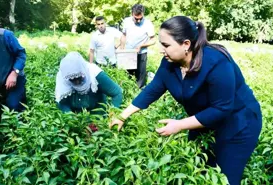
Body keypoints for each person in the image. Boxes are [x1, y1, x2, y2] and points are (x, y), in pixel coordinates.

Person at [110, 16, 262, 185]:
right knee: (199, 169)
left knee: (225, 178)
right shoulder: (169, 63)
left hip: (238, 123)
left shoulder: (216, 62)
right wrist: (123, 116)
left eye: (166, 45)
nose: (161, 50)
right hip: (203, 122)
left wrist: (179, 125)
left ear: (186, 45)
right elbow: (153, 90)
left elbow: (222, 109)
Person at [56, 52, 123, 131]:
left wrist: (111, 116)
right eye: (73, 80)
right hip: (78, 117)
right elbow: (61, 102)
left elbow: (117, 93)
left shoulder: (94, 73)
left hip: (99, 116)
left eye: (79, 78)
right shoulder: (63, 79)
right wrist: (73, 120)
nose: (77, 82)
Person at [120, 4, 156, 88]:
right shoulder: (126, 21)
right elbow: (124, 35)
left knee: (140, 74)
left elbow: (153, 40)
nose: (139, 21)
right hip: (129, 52)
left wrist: (142, 46)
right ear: (132, 14)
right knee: (128, 73)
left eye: (141, 18)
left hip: (142, 53)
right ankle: (129, 89)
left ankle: (139, 90)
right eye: (136, 19)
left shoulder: (148, 23)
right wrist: (122, 49)